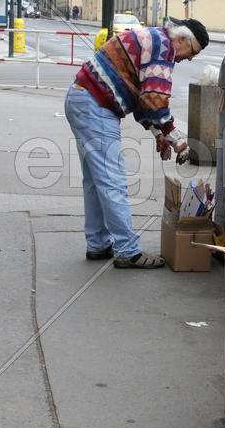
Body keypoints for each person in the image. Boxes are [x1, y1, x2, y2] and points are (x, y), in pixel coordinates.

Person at [65, 17, 209, 269]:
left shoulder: (155, 38)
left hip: (83, 99)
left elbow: (142, 100)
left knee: (95, 181)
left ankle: (98, 243)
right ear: (183, 39)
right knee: (112, 180)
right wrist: (172, 135)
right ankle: (127, 251)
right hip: (95, 106)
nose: (189, 59)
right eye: (192, 52)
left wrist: (159, 135)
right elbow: (155, 99)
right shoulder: (165, 47)